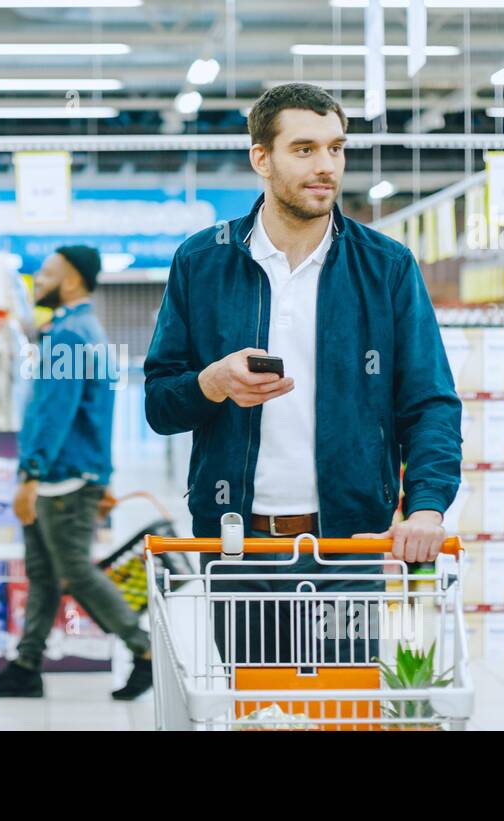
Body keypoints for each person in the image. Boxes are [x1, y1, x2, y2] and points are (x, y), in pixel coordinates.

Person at [143, 83, 462, 666]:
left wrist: (427, 506)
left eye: (336, 148)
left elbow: (430, 402)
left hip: (351, 545)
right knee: (260, 710)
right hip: (238, 544)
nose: (327, 167)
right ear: (261, 158)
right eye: (305, 149)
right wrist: (211, 383)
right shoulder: (202, 261)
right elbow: (161, 404)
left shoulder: (386, 266)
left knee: (340, 707)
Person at [0, 245, 154, 700]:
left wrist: (31, 475)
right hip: (74, 472)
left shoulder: (68, 336)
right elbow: (93, 412)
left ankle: (143, 652)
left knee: (75, 572)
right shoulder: (81, 329)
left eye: (45, 273)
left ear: (71, 281)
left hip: (61, 478)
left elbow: (54, 411)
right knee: (43, 574)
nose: (36, 281)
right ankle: (26, 664)